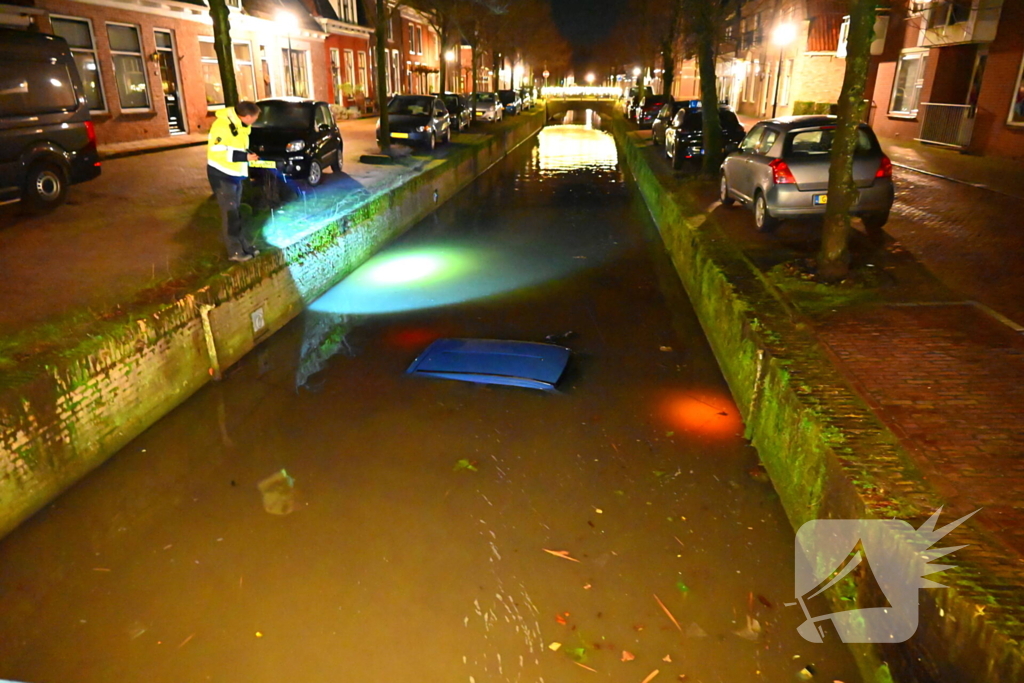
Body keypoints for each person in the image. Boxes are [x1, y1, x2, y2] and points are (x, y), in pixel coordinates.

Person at [207, 101, 261, 262]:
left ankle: (242, 245)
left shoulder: (240, 125)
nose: (256, 120)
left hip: (234, 174)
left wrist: (248, 154)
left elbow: (237, 146)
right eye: (255, 117)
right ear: (246, 116)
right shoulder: (222, 126)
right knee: (230, 215)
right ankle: (235, 252)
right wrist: (244, 157)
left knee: (236, 213)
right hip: (222, 175)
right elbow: (217, 151)